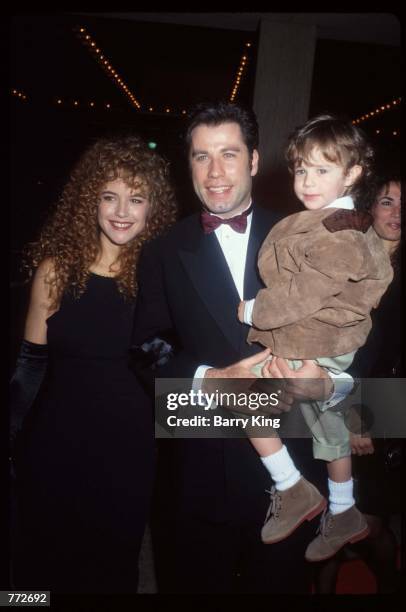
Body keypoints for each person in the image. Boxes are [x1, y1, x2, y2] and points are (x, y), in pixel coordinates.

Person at [131, 102, 355, 593]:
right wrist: (207, 379)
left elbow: (356, 324)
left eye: (229, 154)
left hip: (296, 467)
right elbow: (145, 347)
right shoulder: (163, 250)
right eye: (201, 156)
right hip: (199, 465)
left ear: (253, 160)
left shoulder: (308, 233)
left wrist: (332, 384)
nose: (215, 172)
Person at [10, 134, 177, 593]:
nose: (122, 211)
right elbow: (29, 366)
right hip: (54, 446)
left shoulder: (160, 279)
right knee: (36, 569)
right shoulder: (55, 271)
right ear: (91, 200)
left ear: (152, 208)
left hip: (128, 452)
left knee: (111, 570)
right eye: (110, 196)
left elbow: (173, 370)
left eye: (136, 198)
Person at [237, 115, 393, 561]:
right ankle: (343, 511)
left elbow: (306, 294)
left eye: (322, 170)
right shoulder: (336, 220)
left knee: (246, 403)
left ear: (352, 173)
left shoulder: (337, 228)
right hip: (323, 343)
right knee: (331, 431)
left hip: (317, 343)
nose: (306, 180)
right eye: (301, 169)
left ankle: (293, 487)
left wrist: (254, 310)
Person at [314, 173, 402, 593]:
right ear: (371, 208)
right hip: (335, 398)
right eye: (387, 202)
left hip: (388, 407)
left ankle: (389, 584)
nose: (397, 212)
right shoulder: (350, 261)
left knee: (367, 519)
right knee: (328, 517)